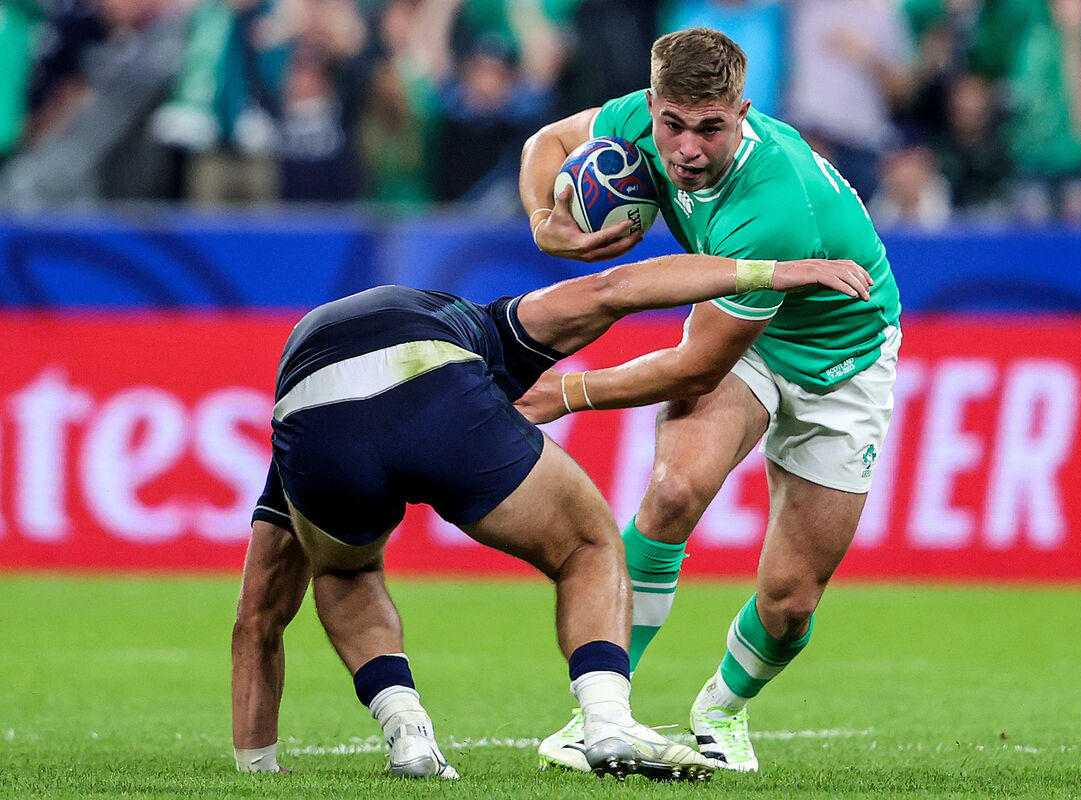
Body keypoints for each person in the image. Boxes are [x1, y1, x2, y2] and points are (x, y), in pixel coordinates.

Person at [230, 248, 876, 779]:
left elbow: (257, 614)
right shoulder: (491, 325)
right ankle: (605, 720)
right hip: (429, 371)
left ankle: (408, 731)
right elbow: (615, 288)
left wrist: (255, 766)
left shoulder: (298, 414)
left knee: (344, 573)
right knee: (589, 547)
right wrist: (772, 271)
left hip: (308, 418)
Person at [518, 27, 902, 773]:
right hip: (751, 330)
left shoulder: (773, 206)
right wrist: (544, 220)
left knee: (791, 603)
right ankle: (603, 713)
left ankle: (722, 711)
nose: (686, 149)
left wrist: (568, 391)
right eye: (673, 125)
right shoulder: (636, 120)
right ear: (654, 104)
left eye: (710, 129)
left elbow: (695, 368)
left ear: (743, 112)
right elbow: (546, 141)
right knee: (673, 489)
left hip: (842, 357)